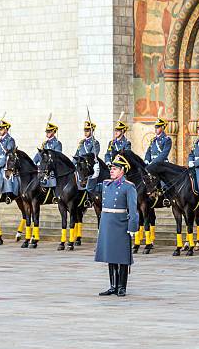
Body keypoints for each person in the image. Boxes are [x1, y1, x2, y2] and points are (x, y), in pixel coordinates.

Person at [95, 154, 139, 297]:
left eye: (115, 168)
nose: (111, 171)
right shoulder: (106, 184)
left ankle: (121, 287)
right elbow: (90, 188)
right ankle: (113, 285)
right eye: (111, 168)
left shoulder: (128, 187)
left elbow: (133, 210)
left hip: (121, 224)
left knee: (122, 257)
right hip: (107, 223)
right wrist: (94, 175)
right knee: (110, 255)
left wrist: (132, 227)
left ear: (122, 171)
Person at [0, 118, 19, 204]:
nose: (0, 131)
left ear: (6, 129)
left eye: (1, 129)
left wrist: (0, 164)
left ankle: (8, 195)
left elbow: (8, 154)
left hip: (6, 163)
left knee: (6, 175)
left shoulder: (10, 140)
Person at [33, 122, 62, 195]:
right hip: (44, 165)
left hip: (52, 166)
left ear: (53, 131)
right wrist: (33, 162)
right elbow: (39, 155)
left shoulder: (57, 143)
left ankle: (56, 195)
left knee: (53, 176)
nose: (47, 133)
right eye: (47, 131)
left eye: (49, 131)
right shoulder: (45, 144)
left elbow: (57, 156)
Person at [74, 119, 101, 193]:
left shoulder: (95, 143)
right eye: (85, 130)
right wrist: (72, 163)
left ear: (92, 131)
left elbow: (93, 155)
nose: (85, 132)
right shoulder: (81, 143)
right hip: (80, 164)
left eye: (88, 130)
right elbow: (76, 154)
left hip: (88, 164)